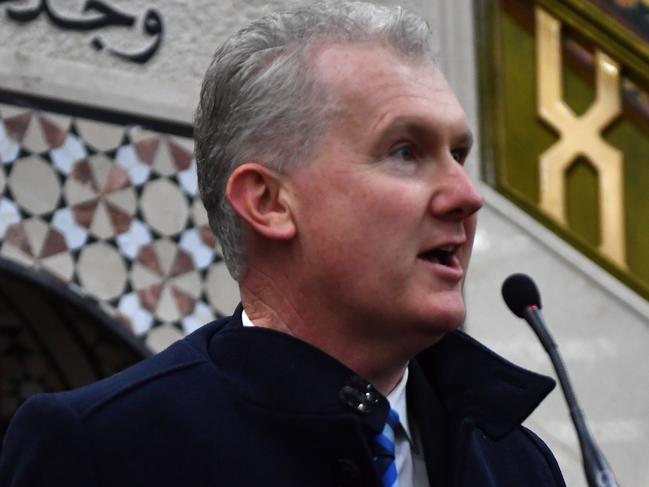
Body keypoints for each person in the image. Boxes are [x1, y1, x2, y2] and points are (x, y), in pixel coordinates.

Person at [0, 2, 566, 486]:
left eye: (459, 156)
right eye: (405, 151)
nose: (466, 196)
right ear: (269, 202)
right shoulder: (107, 447)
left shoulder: (517, 463)